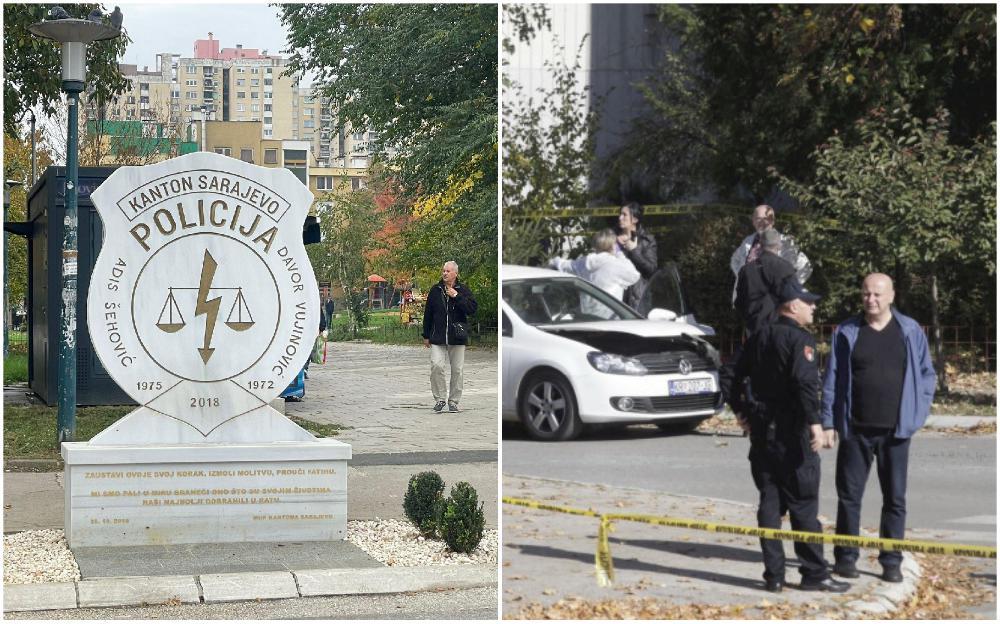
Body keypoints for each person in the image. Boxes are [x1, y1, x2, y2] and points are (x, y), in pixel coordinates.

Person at [720, 278, 848, 594]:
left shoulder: (759, 336)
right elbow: (805, 384)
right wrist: (815, 423)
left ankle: (774, 576)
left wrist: (739, 410)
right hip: (793, 435)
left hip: (763, 435)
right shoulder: (798, 339)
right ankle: (814, 574)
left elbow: (727, 374)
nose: (814, 307)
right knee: (803, 506)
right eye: (809, 302)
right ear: (792, 306)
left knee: (770, 504)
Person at [821, 273, 936, 583]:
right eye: (866, 294)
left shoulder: (910, 331)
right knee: (849, 498)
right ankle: (845, 557)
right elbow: (831, 378)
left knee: (895, 499)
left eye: (877, 294)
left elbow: (927, 376)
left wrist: (917, 414)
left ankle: (891, 561)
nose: (870, 299)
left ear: (891, 296)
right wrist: (829, 422)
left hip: (895, 432)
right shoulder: (846, 331)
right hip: (855, 429)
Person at [422, 261, 478, 413]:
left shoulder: (463, 290)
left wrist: (457, 296)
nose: (444, 273)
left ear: (455, 274)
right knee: (436, 366)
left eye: (448, 271)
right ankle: (440, 399)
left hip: (457, 336)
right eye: (443, 270)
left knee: (457, 370)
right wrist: (426, 335)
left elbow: (472, 309)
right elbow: (428, 314)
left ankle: (453, 401)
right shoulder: (435, 290)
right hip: (437, 337)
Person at [730, 204, 811, 304]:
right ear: (753, 221)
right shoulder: (748, 241)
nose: (762, 222)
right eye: (758, 219)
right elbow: (735, 259)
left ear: (772, 221)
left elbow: (805, 267)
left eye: (766, 218)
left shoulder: (785, 242)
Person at [734, 228, 797, 336]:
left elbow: (739, 302)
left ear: (760, 245)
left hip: (754, 328)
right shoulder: (786, 268)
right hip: (780, 329)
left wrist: (751, 318)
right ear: (779, 245)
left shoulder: (746, 270)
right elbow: (794, 299)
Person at [549, 228, 640, 302]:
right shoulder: (616, 265)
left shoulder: (584, 262)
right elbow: (635, 275)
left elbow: (565, 265)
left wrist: (553, 261)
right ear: (613, 246)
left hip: (588, 316)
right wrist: (619, 253)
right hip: (610, 318)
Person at [615, 202, 658, 316]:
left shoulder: (646, 240)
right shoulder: (612, 239)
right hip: (614, 297)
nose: (620, 218)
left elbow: (651, 270)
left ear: (634, 219)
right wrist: (614, 246)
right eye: (620, 214)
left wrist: (634, 251)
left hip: (637, 300)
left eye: (624, 215)